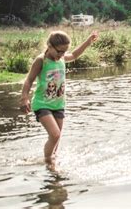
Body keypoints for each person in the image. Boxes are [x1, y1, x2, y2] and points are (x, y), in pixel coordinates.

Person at [20, 30, 98, 165]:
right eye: (59, 51)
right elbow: (29, 80)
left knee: (57, 137)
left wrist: (88, 41)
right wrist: (24, 97)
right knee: (55, 135)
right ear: (49, 46)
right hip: (42, 103)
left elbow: (73, 55)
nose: (62, 55)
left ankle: (52, 161)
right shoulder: (41, 61)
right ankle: (48, 162)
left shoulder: (61, 58)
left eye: (64, 52)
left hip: (58, 104)